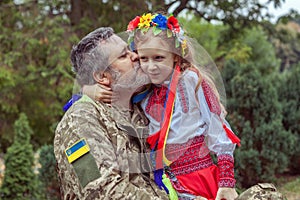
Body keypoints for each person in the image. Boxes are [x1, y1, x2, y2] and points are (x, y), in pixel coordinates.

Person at [86, 13, 241, 200]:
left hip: (199, 179)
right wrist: (87, 90)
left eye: (158, 58)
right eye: (144, 59)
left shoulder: (192, 81)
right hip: (163, 185)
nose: (151, 67)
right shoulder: (144, 90)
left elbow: (219, 132)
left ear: (175, 56)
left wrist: (226, 182)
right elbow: (108, 88)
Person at [54, 27, 169, 200]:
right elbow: (100, 190)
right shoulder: (79, 120)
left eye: (129, 49)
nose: (135, 56)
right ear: (102, 77)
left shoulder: (140, 109)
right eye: (123, 55)